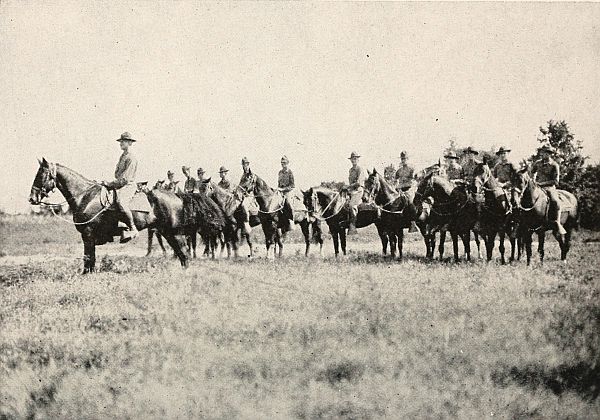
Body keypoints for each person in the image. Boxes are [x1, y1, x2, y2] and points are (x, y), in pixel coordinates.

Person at [102, 132, 139, 242]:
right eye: (121, 141)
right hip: (120, 185)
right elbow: (118, 175)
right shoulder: (122, 156)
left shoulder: (131, 158)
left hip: (128, 185)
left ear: (129, 143)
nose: (121, 143)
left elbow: (125, 179)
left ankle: (132, 228)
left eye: (123, 141)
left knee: (121, 201)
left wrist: (110, 184)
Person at [532, 145, 566, 235]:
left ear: (549, 154)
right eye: (542, 152)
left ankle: (557, 222)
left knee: (555, 201)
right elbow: (531, 172)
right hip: (537, 187)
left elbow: (556, 181)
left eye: (545, 153)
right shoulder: (537, 163)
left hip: (549, 187)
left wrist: (541, 184)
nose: (542, 154)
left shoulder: (554, 165)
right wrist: (533, 180)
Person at [394, 151, 418, 233]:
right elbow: (396, 180)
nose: (403, 160)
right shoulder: (399, 170)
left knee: (410, 202)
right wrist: (397, 187)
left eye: (405, 158)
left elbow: (412, 181)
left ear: (408, 159)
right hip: (400, 190)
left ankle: (413, 223)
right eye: (402, 159)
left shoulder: (412, 169)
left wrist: (402, 187)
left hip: (410, 189)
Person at [492, 147, 518, 213]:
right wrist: (496, 182)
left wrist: (505, 184)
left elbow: (516, 178)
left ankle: (515, 218)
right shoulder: (497, 166)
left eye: (504, 153)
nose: (502, 155)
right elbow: (493, 177)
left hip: (510, 187)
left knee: (516, 202)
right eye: (501, 154)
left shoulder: (511, 165)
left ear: (507, 154)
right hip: (499, 187)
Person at [347, 151, 367, 234]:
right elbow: (350, 182)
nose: (353, 160)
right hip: (351, 191)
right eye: (352, 159)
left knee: (352, 205)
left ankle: (353, 226)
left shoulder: (360, 169)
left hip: (358, 190)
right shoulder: (351, 170)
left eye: (355, 159)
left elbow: (359, 182)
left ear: (358, 160)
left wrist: (349, 187)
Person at [278, 155, 295, 231]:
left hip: (288, 191)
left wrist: (283, 189)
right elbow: (279, 183)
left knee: (288, 203)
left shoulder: (290, 172)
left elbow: (292, 185)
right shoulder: (280, 172)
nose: (283, 164)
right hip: (280, 191)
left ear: (288, 163)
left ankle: (291, 221)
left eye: (284, 163)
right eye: (282, 163)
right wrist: (278, 189)